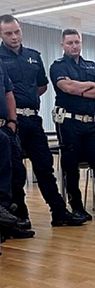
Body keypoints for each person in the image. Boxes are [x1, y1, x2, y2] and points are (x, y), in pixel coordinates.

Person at [0, 14, 86, 227]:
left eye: (16, 31)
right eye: (8, 33)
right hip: (12, 121)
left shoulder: (33, 56)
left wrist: (27, 100)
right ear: (1, 35)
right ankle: (20, 216)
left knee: (45, 167)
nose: (14, 36)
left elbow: (41, 86)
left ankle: (59, 212)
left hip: (33, 119)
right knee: (16, 171)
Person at [49, 28, 95, 222]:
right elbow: (66, 87)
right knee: (71, 166)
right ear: (62, 45)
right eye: (70, 43)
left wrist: (79, 88)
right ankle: (77, 207)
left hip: (90, 125)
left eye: (77, 42)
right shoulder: (58, 66)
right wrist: (89, 85)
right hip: (69, 123)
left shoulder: (91, 65)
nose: (74, 46)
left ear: (81, 43)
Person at [0, 58, 34, 239]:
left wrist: (12, 121)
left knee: (16, 173)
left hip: (5, 128)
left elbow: (8, 93)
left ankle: (9, 221)